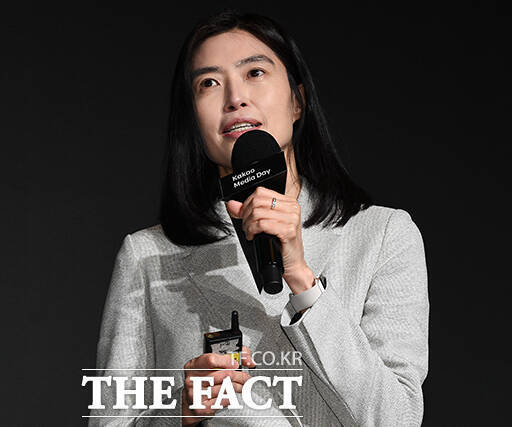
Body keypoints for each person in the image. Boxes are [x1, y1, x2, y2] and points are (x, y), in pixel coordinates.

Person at [92, 10, 428, 427]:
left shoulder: (382, 235)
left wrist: (303, 282)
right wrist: (180, 411)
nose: (235, 97)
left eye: (254, 72)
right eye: (208, 83)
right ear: (193, 119)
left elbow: (397, 419)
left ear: (297, 101)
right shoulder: (147, 255)